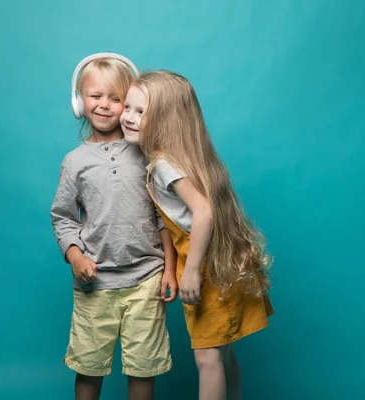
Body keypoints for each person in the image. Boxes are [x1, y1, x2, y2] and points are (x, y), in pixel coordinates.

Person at [120, 70, 273, 400]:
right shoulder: (176, 157)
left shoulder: (164, 165)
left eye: (140, 112)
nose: (128, 117)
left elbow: (203, 211)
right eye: (128, 108)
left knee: (208, 357)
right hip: (216, 259)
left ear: (166, 120)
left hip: (204, 267)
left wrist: (190, 273)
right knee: (221, 353)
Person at [50, 55, 177, 400]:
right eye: (95, 96)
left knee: (143, 369)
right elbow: (63, 217)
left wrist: (171, 267)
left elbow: (162, 215)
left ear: (130, 104)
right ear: (79, 101)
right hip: (96, 283)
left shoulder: (147, 153)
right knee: (89, 370)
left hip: (147, 279)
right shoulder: (74, 161)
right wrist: (74, 255)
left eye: (116, 98)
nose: (104, 105)